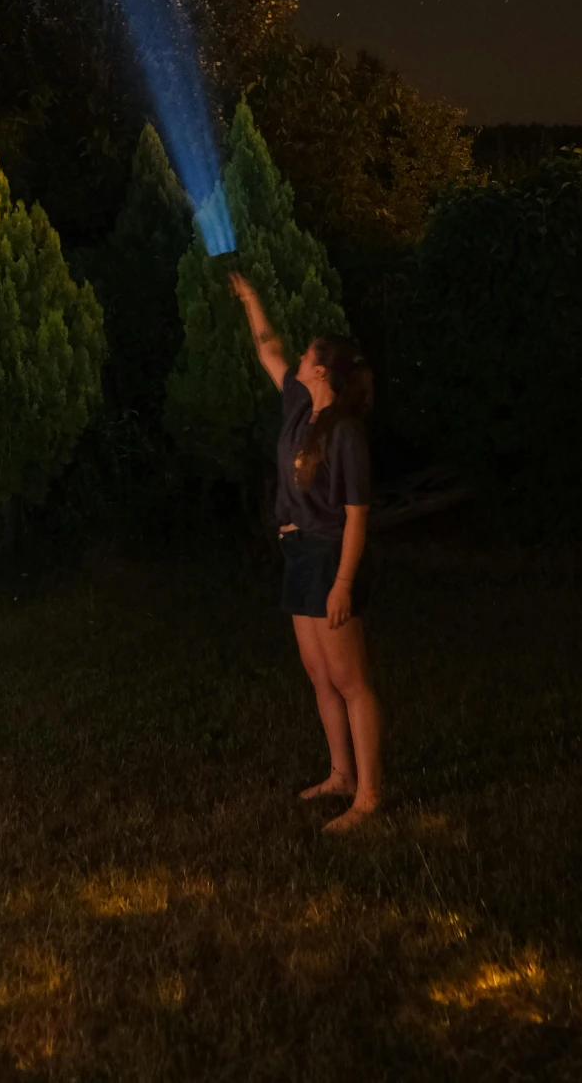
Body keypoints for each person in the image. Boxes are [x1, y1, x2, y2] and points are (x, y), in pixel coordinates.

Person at [230, 266, 382, 831]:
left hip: (327, 556)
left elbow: (358, 515)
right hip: (297, 554)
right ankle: (340, 774)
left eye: (306, 355)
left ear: (320, 368)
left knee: (350, 680)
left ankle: (368, 795)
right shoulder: (300, 406)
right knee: (319, 675)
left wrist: (343, 583)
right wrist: (250, 298)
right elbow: (269, 349)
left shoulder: (344, 433)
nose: (296, 358)